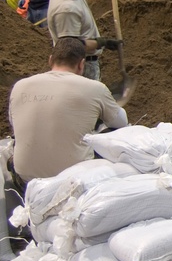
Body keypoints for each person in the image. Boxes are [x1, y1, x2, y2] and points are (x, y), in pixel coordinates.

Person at [10, 37, 127, 185]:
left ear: (50, 60)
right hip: (73, 181)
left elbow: (14, 124)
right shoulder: (95, 88)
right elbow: (122, 123)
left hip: (25, 179)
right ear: (81, 64)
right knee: (107, 135)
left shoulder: (20, 86)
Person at [47, 0, 122, 81]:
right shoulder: (67, 9)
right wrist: (102, 42)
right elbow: (71, 47)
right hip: (79, 66)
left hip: (81, 63)